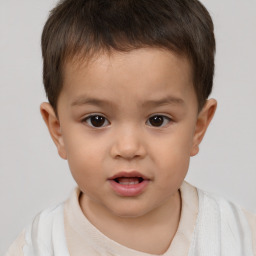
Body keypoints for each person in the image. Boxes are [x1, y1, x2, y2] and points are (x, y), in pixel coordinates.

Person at [5, 0, 256, 255]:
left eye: (157, 120)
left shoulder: (238, 236)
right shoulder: (39, 246)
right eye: (97, 120)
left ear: (197, 128)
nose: (128, 148)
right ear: (58, 131)